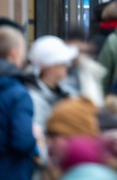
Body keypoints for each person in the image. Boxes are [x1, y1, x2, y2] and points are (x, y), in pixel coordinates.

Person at [0, 24, 36, 180]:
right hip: (10, 170)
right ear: (14, 54)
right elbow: (22, 141)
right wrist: (35, 136)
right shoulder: (18, 93)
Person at [26, 35, 79, 132]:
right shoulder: (33, 98)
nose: (67, 65)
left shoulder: (67, 92)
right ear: (49, 66)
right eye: (62, 62)